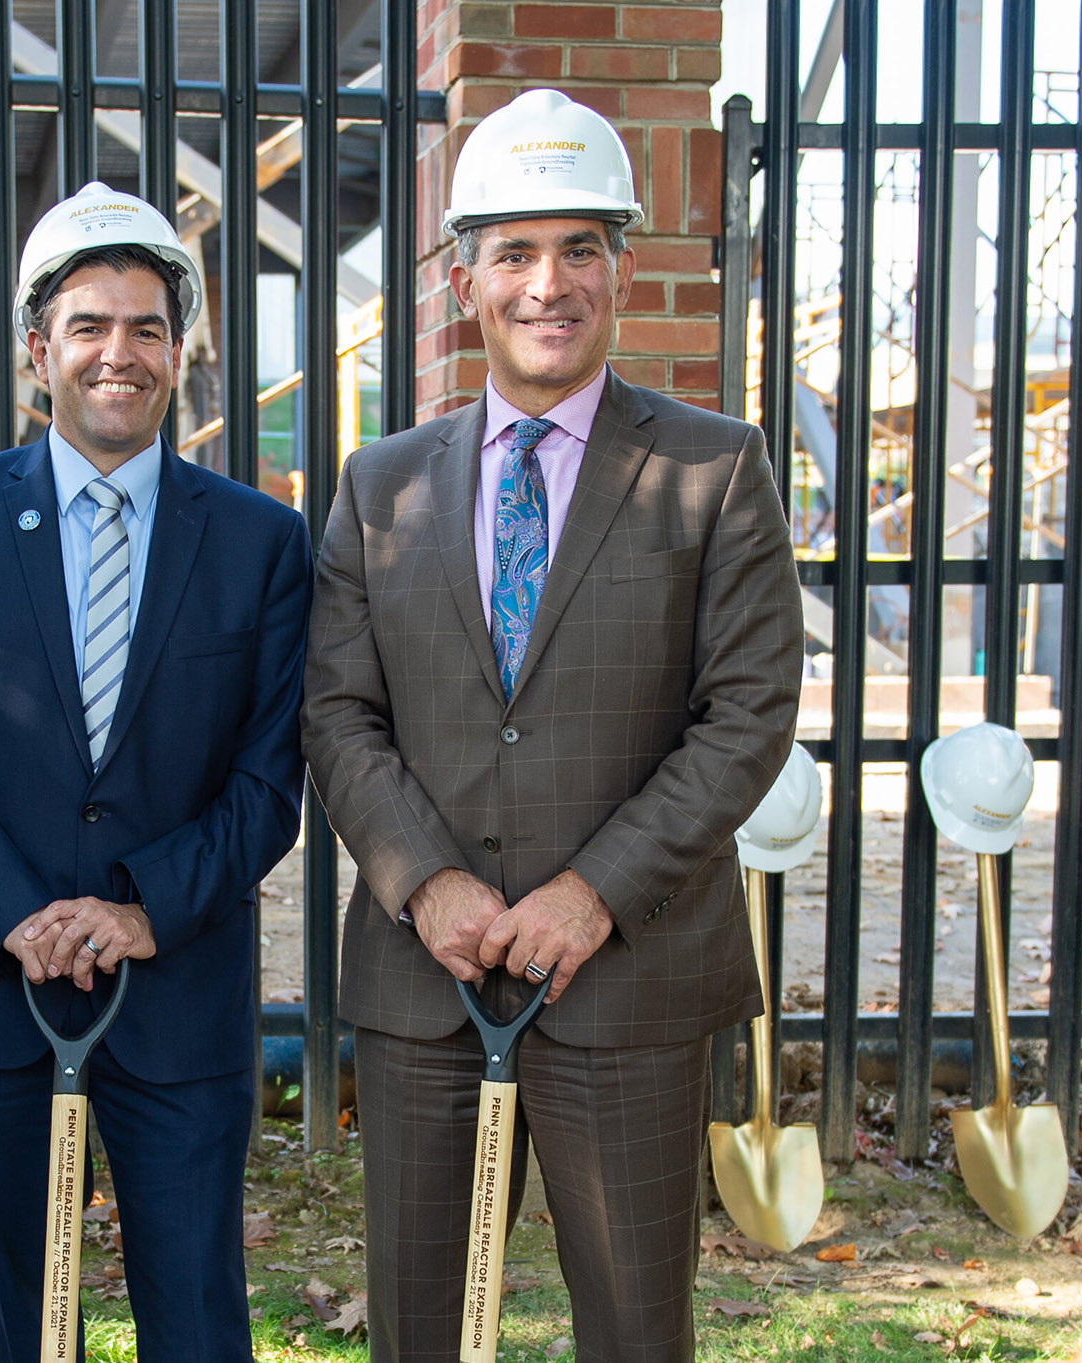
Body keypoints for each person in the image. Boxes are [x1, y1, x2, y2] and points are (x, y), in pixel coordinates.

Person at [300, 89, 803, 1363]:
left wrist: (594, 891)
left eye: (578, 247)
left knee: (635, 1330)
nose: (546, 283)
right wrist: (425, 887)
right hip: (428, 981)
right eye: (512, 252)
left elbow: (746, 712)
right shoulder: (382, 483)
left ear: (622, 272)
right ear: (461, 278)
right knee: (420, 1327)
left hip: (626, 980)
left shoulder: (712, 464)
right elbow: (337, 712)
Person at [0, 181, 311, 1361]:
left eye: (147, 327)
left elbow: (271, 779)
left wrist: (139, 909)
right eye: (87, 325)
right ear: (35, 349)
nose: (120, 353)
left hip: (173, 988)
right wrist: (18, 916)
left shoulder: (261, 540)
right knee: (30, 1311)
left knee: (199, 1315)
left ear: (181, 348)